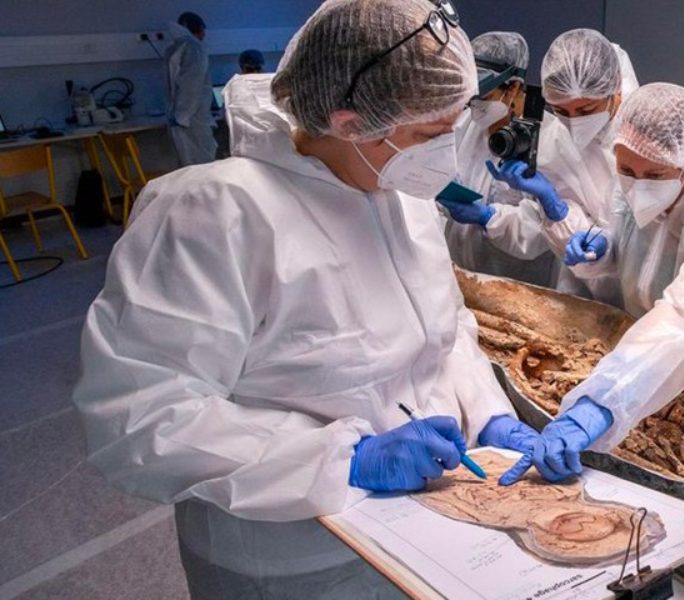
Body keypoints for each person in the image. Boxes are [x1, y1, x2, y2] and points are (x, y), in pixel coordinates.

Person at [75, 1, 546, 597]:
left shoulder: (400, 192)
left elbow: (446, 327)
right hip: (288, 558)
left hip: (425, 526)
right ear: (350, 122)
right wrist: (343, 459)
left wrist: (488, 411)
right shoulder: (214, 213)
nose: (447, 156)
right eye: (431, 135)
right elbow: (141, 418)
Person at [499, 83, 684, 485]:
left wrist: (602, 402)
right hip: (651, 356)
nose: (637, 184)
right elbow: (629, 245)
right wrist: (602, 247)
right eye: (626, 171)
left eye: (655, 175)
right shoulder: (633, 174)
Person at [486, 28, 638, 297]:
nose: (573, 121)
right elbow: (569, 243)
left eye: (586, 110)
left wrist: (616, 243)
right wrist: (555, 208)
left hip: (654, 293)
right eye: (561, 111)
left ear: (615, 90)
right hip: (588, 292)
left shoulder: (649, 128)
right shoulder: (554, 142)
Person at [437, 31, 557, 287]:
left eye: (483, 96)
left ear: (513, 87)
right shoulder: (465, 125)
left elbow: (543, 235)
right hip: (462, 275)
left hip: (519, 285)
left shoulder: (551, 141)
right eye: (470, 97)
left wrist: (488, 216)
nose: (474, 105)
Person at [166, 11, 218, 166]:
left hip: (181, 115)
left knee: (187, 161)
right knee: (203, 160)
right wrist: (183, 115)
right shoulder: (195, 48)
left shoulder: (175, 47)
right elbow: (192, 85)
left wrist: (179, 115)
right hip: (192, 117)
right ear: (200, 29)